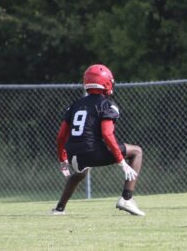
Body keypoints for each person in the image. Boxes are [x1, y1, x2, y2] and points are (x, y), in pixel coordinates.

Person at [52, 64, 146, 216]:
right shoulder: (106, 104)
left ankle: (59, 208)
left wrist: (63, 159)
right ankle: (127, 199)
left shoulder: (75, 105)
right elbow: (107, 134)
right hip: (92, 151)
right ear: (106, 82)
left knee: (81, 172)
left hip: (73, 154)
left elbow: (61, 136)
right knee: (137, 152)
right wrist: (121, 161)